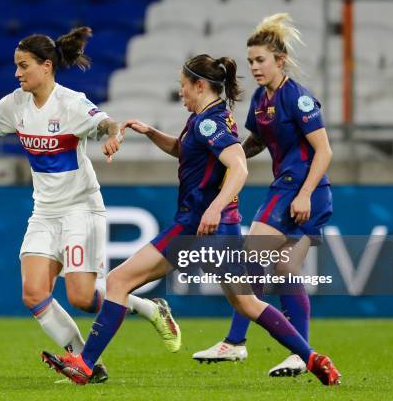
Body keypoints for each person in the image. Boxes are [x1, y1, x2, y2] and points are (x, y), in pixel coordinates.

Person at [0, 26, 181, 384]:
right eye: (16, 66)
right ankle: (88, 365)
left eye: (23, 66)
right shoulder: (16, 104)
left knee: (81, 297)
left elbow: (106, 123)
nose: (17, 73)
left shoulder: (71, 103)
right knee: (33, 294)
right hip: (44, 212)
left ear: (46, 66)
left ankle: (148, 307)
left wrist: (114, 136)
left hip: (81, 209)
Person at [41, 53, 341, 386]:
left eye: (183, 86)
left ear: (200, 85)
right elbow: (187, 151)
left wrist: (214, 207)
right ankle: (313, 358)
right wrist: (151, 132)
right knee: (246, 302)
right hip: (215, 227)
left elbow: (239, 166)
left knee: (119, 281)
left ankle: (85, 363)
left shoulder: (208, 123)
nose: (181, 93)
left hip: (196, 225)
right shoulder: (208, 118)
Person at [192, 13, 335, 378]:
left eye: (261, 60)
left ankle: (235, 343)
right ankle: (302, 355)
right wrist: (230, 154)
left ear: (280, 61)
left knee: (251, 255)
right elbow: (255, 142)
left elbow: (324, 151)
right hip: (294, 189)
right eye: (251, 60)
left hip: (299, 189)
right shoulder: (260, 99)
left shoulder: (297, 98)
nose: (254, 67)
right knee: (286, 269)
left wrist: (303, 195)